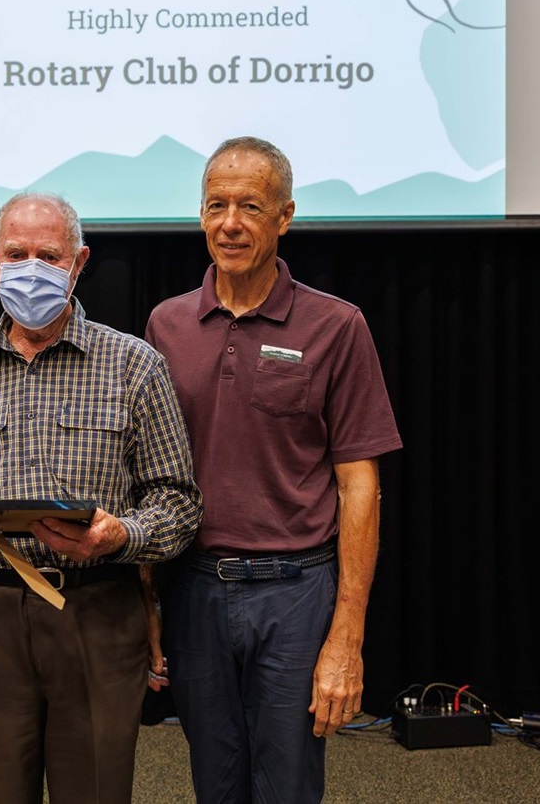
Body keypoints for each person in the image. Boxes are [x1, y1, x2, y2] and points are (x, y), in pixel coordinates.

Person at [0, 191, 202, 804]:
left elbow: (179, 503)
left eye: (49, 255)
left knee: (95, 790)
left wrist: (122, 535)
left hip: (98, 612)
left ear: (79, 263)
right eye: (16, 253)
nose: (31, 267)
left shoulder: (135, 366)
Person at [145, 137, 403, 803]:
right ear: (200, 216)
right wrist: (146, 602)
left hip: (296, 593)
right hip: (194, 591)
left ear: (284, 217)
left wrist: (347, 634)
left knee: (287, 784)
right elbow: (147, 475)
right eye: (216, 205)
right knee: (215, 781)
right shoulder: (166, 325)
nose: (230, 222)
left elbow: (359, 484)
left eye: (250, 207)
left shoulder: (336, 326)